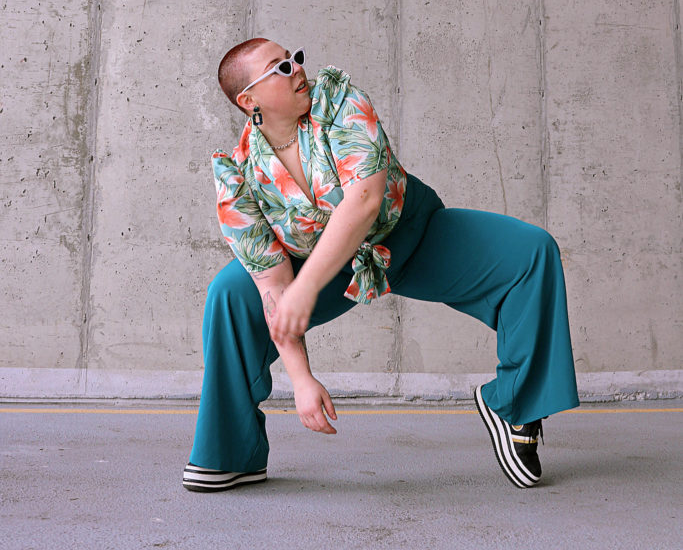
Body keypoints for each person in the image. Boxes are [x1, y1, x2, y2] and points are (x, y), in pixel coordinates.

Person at [183, 38, 580, 493]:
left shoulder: (338, 101)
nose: (295, 68)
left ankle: (514, 406)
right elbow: (273, 285)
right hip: (329, 269)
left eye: (293, 58)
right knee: (231, 293)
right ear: (248, 100)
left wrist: (306, 287)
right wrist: (301, 378)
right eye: (278, 68)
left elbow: (366, 199)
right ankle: (231, 454)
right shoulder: (238, 177)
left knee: (531, 252)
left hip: (410, 235)